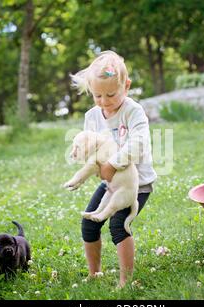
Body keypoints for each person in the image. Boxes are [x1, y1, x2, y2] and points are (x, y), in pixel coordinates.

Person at [70, 50, 157, 288]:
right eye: (97, 95)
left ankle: (125, 281)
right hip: (109, 183)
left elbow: (138, 144)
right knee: (89, 223)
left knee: (119, 224)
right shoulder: (92, 116)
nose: (104, 101)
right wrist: (84, 158)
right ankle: (94, 273)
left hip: (136, 184)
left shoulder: (133, 111)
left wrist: (112, 164)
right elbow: (90, 145)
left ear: (126, 86)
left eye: (111, 94)